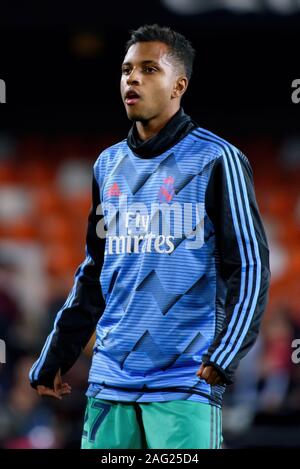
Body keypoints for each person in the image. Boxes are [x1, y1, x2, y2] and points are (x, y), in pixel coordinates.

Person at [29, 24, 271, 449]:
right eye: (126, 70)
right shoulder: (107, 165)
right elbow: (96, 270)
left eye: (148, 69)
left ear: (179, 85)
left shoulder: (218, 159)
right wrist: (59, 352)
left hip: (184, 381)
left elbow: (249, 266)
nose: (132, 79)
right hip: (109, 382)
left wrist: (226, 354)